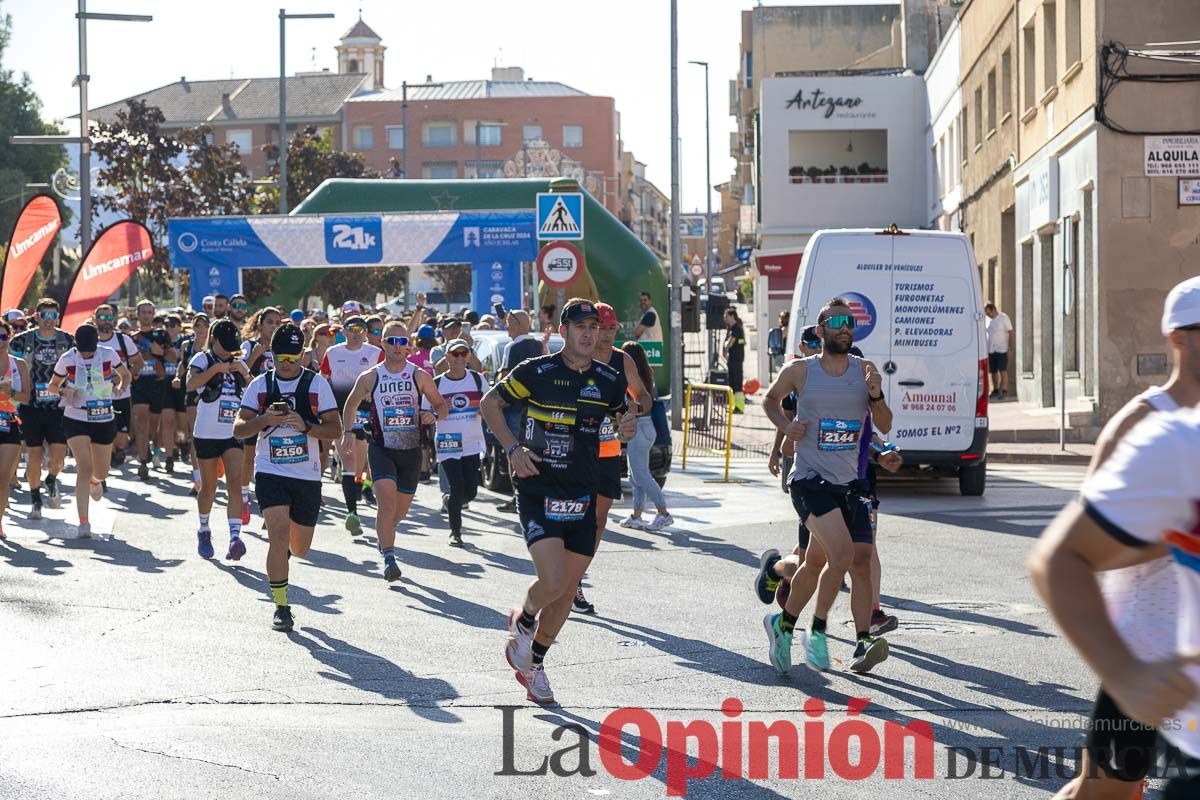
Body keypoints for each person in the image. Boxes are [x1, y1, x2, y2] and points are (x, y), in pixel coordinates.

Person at [1039, 276, 1200, 800]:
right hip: (1144, 650)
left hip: (1187, 655)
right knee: (1104, 794)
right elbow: (1086, 549)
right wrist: (1177, 534)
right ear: (1177, 336)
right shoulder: (1147, 422)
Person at [481, 298, 634, 705]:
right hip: (538, 485)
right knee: (552, 580)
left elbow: (624, 416)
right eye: (580, 326)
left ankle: (535, 664)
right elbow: (489, 404)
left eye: (594, 326)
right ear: (563, 331)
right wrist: (513, 449)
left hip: (583, 490)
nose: (588, 333)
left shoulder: (607, 379)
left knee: (566, 593)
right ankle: (525, 617)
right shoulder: (537, 371)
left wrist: (629, 425)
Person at [760, 297, 894, 675]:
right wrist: (786, 428)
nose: (844, 327)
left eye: (849, 322)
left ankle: (786, 624)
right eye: (836, 321)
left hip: (847, 484)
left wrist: (876, 395)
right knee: (843, 554)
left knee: (825, 562)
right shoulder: (800, 371)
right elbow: (769, 401)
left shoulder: (864, 370)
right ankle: (817, 630)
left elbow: (884, 423)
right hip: (808, 480)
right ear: (820, 332)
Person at [234, 323, 342, 632]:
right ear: (271, 355)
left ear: (302, 356)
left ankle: (284, 559)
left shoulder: (316, 385)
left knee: (300, 548)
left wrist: (305, 426)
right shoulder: (260, 385)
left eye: (293, 358)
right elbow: (239, 429)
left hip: (306, 475)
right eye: (281, 357)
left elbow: (335, 429)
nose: (287, 363)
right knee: (278, 537)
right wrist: (266, 419)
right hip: (270, 471)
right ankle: (281, 606)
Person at [341, 321, 446, 581]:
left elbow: (441, 405)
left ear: (409, 346)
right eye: (392, 341)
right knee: (386, 503)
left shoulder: (419, 375)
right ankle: (389, 557)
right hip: (381, 448)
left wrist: (433, 415)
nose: (397, 347)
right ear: (383, 343)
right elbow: (350, 403)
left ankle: (385, 533)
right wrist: (346, 433)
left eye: (402, 342)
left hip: (411, 452)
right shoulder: (371, 377)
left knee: (398, 512)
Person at [578, 302, 651, 614]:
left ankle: (577, 576)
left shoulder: (622, 361)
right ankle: (569, 578)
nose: (605, 334)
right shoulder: (577, 359)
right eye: (599, 328)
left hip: (608, 452)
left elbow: (644, 396)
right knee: (576, 517)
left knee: (598, 519)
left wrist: (634, 411)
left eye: (610, 328)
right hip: (576, 452)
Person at [49, 324, 131, 538]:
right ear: (76, 344)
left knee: (101, 472)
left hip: (103, 416)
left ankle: (95, 481)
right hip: (75, 416)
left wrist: (121, 388)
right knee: (83, 468)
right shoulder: (67, 358)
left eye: (90, 349)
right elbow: (52, 385)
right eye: (84, 349)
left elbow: (126, 374)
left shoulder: (108, 354)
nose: (87, 353)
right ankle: (84, 523)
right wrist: (64, 390)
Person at [187, 319, 252, 561]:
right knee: (209, 488)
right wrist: (215, 370)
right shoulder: (202, 360)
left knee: (235, 483)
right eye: (224, 346)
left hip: (232, 432)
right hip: (206, 432)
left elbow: (256, 387)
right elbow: (190, 384)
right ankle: (204, 529)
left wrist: (244, 372)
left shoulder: (237, 362)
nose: (228, 351)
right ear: (214, 341)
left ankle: (235, 537)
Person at [10, 298, 73, 519]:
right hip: (30, 407)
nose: (49, 320)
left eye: (53, 315)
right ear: (36, 317)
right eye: (44, 315)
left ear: (58, 317)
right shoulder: (20, 341)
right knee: (34, 456)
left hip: (59, 407)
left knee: (58, 458)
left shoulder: (67, 340)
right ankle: (36, 500)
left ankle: (51, 479)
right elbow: (8, 364)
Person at [320, 315, 382, 535]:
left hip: (366, 412)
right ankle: (352, 513)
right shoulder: (333, 353)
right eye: (352, 328)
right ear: (343, 331)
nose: (357, 332)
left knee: (360, 460)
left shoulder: (375, 353)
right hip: (339, 411)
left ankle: (358, 488)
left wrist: (371, 393)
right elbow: (323, 378)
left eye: (361, 329)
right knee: (348, 459)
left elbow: (384, 379)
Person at [428, 338, 487, 546]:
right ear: (447, 357)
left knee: (470, 491)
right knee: (456, 486)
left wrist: (485, 411)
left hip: (472, 441)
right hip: (447, 441)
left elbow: (490, 404)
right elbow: (427, 410)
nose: (460, 358)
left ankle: (451, 502)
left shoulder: (478, 380)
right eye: (455, 354)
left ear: (469, 356)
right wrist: (431, 416)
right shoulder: (437, 383)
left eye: (464, 353)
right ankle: (456, 532)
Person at [619, 340, 672, 531]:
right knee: (636, 475)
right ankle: (636, 515)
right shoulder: (647, 375)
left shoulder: (630, 377)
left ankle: (663, 512)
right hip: (648, 427)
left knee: (640, 474)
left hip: (639, 428)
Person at [495, 310, 544, 514]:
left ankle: (518, 497)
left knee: (513, 451)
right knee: (534, 451)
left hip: (515, 406)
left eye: (508, 323)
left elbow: (505, 378)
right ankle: (533, 495)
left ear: (516, 325)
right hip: (536, 407)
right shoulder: (539, 344)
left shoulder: (511, 347)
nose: (506, 326)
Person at [239, 307, 281, 524]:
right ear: (260, 324)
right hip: (254, 407)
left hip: (277, 409)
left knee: (274, 456)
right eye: (269, 322)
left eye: (277, 322)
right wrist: (256, 354)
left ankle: (271, 506)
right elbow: (239, 369)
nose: (273, 326)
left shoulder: (282, 347)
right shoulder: (249, 345)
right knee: (249, 456)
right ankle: (244, 497)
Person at [130, 300, 176, 480]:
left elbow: (173, 358)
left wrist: (160, 353)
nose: (147, 315)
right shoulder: (132, 338)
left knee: (153, 426)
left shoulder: (161, 335)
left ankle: (147, 447)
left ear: (153, 314)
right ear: (138, 314)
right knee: (141, 422)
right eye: (143, 312)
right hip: (139, 384)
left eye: (150, 312)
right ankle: (142, 463)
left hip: (159, 384)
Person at [94, 302, 143, 466]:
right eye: (102, 317)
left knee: (122, 440)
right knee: (101, 436)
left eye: (109, 317)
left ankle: (114, 452)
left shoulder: (123, 340)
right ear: (95, 320)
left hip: (121, 395)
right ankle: (102, 470)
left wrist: (125, 375)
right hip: (97, 397)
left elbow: (138, 363)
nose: (106, 320)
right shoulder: (90, 341)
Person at [0, 320, 31, 538]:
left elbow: (26, 397)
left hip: (9, 422)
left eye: (3, 337)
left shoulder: (19, 365)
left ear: (9, 337)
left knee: (3, 478)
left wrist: (9, 391)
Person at [176, 314, 209, 496]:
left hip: (212, 394)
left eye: (205, 325)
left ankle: (211, 472)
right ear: (193, 327)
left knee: (212, 435)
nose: (201, 328)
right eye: (198, 325)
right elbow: (183, 364)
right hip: (191, 392)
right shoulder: (186, 346)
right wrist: (176, 377)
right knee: (195, 435)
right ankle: (198, 479)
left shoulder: (213, 345)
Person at [159, 314, 186, 474]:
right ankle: (169, 457)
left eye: (173, 325)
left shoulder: (184, 342)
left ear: (179, 327)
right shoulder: (161, 342)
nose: (169, 328)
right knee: (167, 420)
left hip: (181, 383)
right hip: (165, 383)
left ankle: (184, 442)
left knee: (183, 423)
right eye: (167, 325)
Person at [985, 302, 1013, 400]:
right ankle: (996, 390)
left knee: (1002, 370)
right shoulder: (988, 320)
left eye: (989, 313)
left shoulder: (1003, 318)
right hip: (991, 350)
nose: (988, 315)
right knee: (993, 371)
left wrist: (1010, 348)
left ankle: (1004, 390)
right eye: (986, 314)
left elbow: (1010, 332)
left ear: (993, 309)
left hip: (1002, 349)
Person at [724, 307, 747, 413]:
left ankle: (739, 407)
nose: (725, 318)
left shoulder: (736, 329)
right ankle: (734, 406)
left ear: (732, 316)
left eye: (727, 316)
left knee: (737, 384)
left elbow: (730, 342)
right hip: (732, 359)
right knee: (732, 383)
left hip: (736, 360)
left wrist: (725, 350)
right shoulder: (731, 328)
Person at [766, 310, 790, 377]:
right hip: (782, 355)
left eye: (783, 317)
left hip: (783, 355)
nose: (780, 319)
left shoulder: (785, 329)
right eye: (780, 317)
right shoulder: (786, 329)